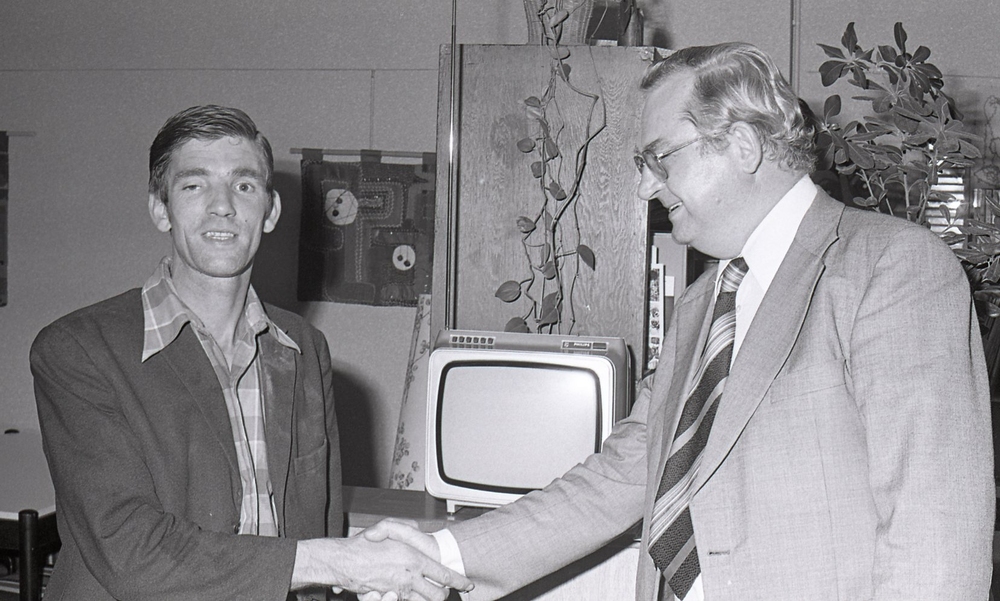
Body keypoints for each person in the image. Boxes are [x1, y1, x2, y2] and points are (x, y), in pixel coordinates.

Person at [363, 42, 996, 600]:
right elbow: (621, 475)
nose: (646, 187)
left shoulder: (891, 267)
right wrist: (442, 554)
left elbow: (936, 537)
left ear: (742, 145)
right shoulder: (701, 304)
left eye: (660, 158)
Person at [30, 105, 472, 601]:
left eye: (243, 185)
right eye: (193, 185)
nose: (222, 206)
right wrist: (342, 563)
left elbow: (319, 523)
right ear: (160, 209)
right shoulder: (78, 349)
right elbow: (128, 548)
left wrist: (353, 571)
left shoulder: (303, 348)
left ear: (270, 210)